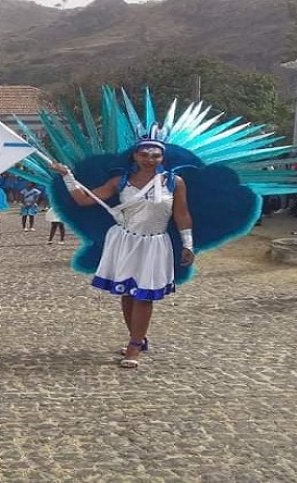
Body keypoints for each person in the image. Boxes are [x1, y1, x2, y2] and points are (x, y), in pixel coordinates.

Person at [50, 131, 194, 368]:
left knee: (144, 295)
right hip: (125, 242)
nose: (150, 159)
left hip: (155, 243)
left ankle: (135, 345)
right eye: (145, 154)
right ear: (135, 156)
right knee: (127, 293)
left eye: (155, 155)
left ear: (162, 158)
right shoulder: (120, 181)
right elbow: (85, 200)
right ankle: (137, 338)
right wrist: (68, 176)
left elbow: (181, 213)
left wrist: (187, 243)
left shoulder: (174, 182)